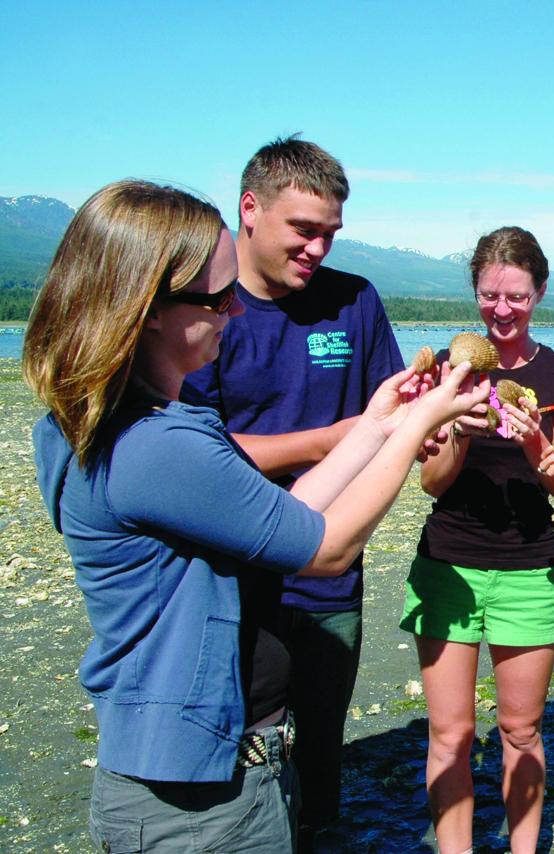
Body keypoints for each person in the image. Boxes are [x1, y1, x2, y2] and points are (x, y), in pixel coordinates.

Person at [24, 180, 486, 853]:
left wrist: (377, 425)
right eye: (216, 298)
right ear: (146, 307)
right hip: (199, 799)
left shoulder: (114, 423)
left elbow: (277, 518)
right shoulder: (157, 444)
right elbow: (324, 548)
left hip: (207, 771)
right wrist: (419, 426)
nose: (235, 310)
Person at [180, 136, 405, 841]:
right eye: (303, 230)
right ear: (249, 209)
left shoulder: (355, 301)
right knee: (233, 767)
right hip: (227, 579)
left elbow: (392, 419)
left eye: (330, 235)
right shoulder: (203, 311)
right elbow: (193, 452)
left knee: (319, 764)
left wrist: (426, 428)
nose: (317, 249)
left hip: (330, 579)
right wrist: (342, 437)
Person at [402, 226, 554, 853]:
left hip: (528, 569)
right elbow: (431, 484)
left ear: (538, 293)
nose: (502, 310)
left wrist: (530, 436)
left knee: (519, 731)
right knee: (450, 735)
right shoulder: (454, 371)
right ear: (476, 295)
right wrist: (456, 423)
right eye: (489, 296)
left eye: (515, 296)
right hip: (448, 567)